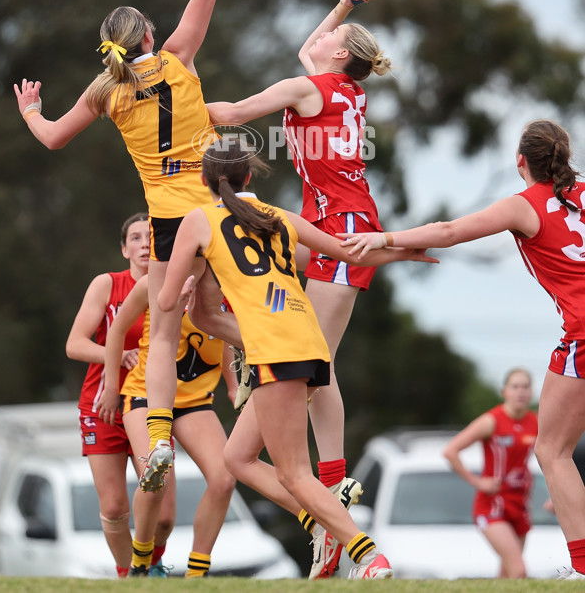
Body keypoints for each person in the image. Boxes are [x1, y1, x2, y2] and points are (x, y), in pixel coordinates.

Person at [156, 138, 437, 580]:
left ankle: (366, 557)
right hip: (307, 339)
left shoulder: (199, 220)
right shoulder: (279, 216)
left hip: (275, 347)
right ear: (249, 176)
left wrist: (189, 286)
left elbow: (168, 300)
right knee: (238, 458)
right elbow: (347, 251)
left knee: (295, 474)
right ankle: (323, 525)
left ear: (204, 180)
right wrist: (404, 251)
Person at [14, 0, 219, 487]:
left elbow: (52, 137)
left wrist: (31, 110)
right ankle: (260, 356)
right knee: (222, 303)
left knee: (165, 325)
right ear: (150, 36)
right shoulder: (177, 59)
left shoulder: (107, 91)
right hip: (216, 203)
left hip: (170, 218)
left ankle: (157, 436)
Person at [204, 0, 396, 577]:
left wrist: (171, 92)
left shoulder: (306, 87)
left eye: (333, 36)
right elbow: (313, 44)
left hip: (340, 232)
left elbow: (230, 115)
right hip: (334, 228)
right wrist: (347, 7)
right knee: (292, 346)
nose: (322, 37)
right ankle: (324, 507)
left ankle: (334, 488)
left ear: (338, 54)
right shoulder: (347, 89)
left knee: (315, 358)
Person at [340, 117, 585, 581]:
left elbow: (451, 232)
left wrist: (387, 238)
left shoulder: (524, 205)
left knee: (553, 451)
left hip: (582, 334)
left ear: (520, 162)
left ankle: (583, 568)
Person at [98, 274, 236, 578]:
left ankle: (197, 573)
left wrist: (232, 383)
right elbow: (117, 329)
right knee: (155, 471)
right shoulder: (155, 281)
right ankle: (140, 561)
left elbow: (224, 335)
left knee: (225, 478)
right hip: (145, 395)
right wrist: (110, 387)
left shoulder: (230, 278)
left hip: (195, 400)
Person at [65, 211, 172, 578]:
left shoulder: (173, 286)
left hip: (150, 402)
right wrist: (118, 358)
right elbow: (75, 344)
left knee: (166, 516)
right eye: (137, 238)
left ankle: (152, 563)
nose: (145, 244)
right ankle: (130, 577)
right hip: (104, 403)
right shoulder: (107, 284)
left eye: (151, 237)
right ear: (124, 248)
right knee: (113, 507)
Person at [442, 368, 538, 578]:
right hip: (493, 504)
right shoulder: (492, 421)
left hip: (520, 503)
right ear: (505, 391)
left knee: (506, 574)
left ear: (531, 393)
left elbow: (555, 455)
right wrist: (477, 482)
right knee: (518, 570)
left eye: (525, 387)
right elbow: (450, 451)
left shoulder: (535, 422)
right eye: (515, 386)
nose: (520, 392)